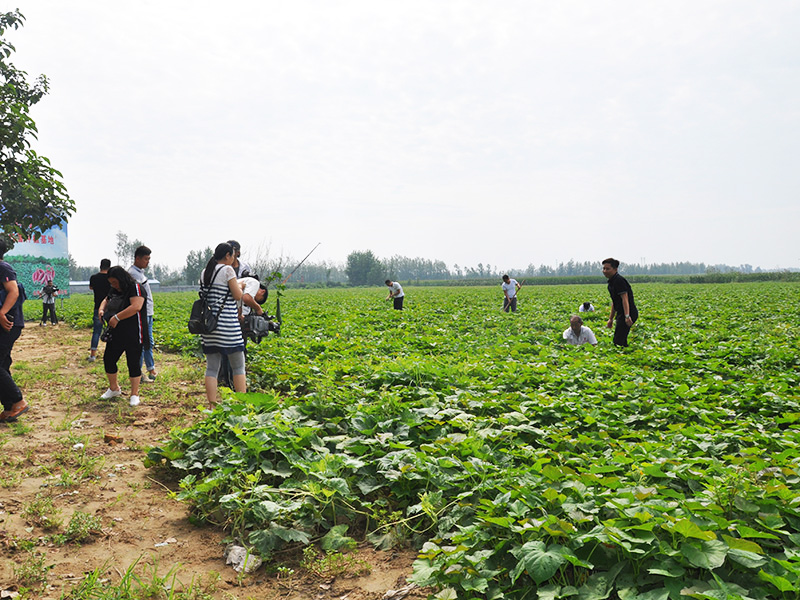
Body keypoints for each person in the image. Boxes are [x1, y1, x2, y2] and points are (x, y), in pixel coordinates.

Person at [200, 243, 246, 403]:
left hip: (209, 328)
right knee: (238, 366)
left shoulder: (205, 272)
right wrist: (241, 285)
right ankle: (242, 404)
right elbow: (237, 295)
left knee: (211, 368)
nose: (234, 259)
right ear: (227, 255)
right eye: (233, 256)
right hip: (228, 327)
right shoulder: (227, 270)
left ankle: (212, 405)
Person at [98, 266, 148, 407]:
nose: (113, 285)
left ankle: (134, 394)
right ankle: (114, 388)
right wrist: (102, 310)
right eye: (111, 283)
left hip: (133, 332)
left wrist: (117, 318)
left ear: (122, 279)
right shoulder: (115, 289)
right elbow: (106, 300)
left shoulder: (135, 288)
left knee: (133, 362)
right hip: (116, 332)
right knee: (109, 359)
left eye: (115, 282)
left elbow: (136, 306)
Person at [0, 239, 28, 423]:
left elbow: (14, 291)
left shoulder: (3, 267)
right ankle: (10, 406)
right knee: (3, 364)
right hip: (4, 323)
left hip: (7, 323)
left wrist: (2, 312)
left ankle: (18, 401)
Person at [128, 245, 157, 382]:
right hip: (142, 312)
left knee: (148, 342)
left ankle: (150, 368)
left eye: (149, 259)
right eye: (146, 259)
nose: (148, 262)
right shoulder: (133, 274)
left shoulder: (139, 272)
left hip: (148, 312)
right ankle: (139, 372)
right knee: (142, 342)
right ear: (137, 258)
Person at [602, 258, 638, 347]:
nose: (605, 271)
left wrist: (627, 316)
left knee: (619, 341)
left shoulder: (619, 281)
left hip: (628, 313)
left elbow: (624, 299)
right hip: (621, 313)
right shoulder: (611, 283)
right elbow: (615, 302)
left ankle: (625, 356)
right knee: (620, 339)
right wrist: (611, 319)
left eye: (607, 269)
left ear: (615, 269)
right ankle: (625, 354)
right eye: (604, 268)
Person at [88, 258, 111, 362]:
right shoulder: (111, 278)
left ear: (100, 266)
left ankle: (92, 355)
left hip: (98, 307)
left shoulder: (94, 277)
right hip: (111, 308)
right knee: (112, 331)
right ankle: (110, 354)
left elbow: (91, 288)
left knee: (96, 331)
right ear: (109, 267)